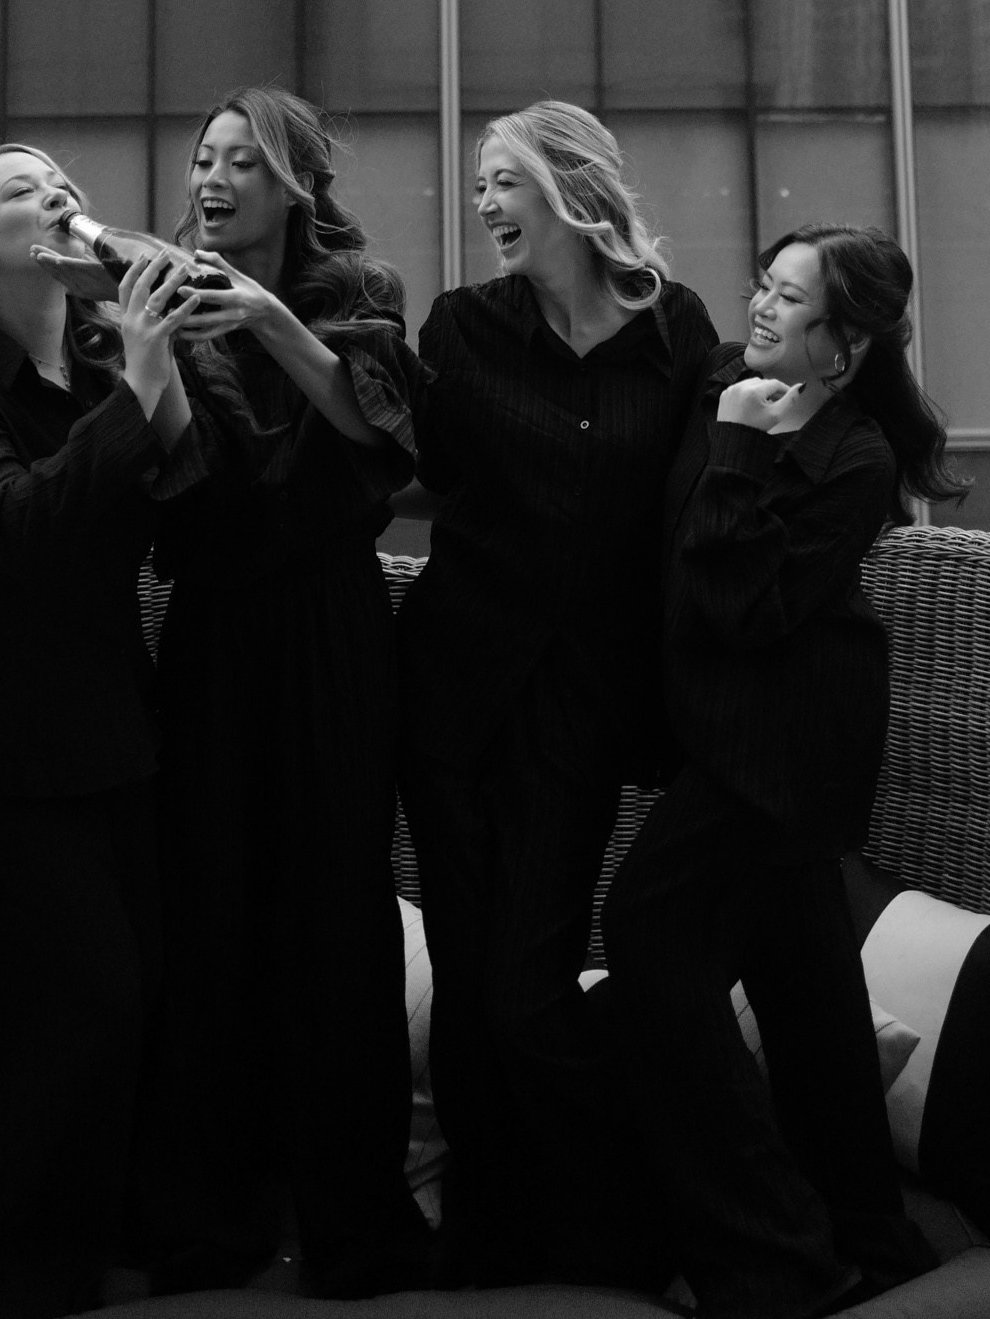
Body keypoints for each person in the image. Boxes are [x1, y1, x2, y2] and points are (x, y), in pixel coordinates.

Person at [593, 224, 963, 1317]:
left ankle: (773, 1256)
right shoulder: (722, 377)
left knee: (649, 936)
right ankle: (868, 1238)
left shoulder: (851, 459)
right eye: (761, 283)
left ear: (840, 348)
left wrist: (740, 450)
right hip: (723, 737)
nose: (756, 306)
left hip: (785, 753)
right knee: (804, 992)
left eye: (785, 297)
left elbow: (739, 609)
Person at [0, 142, 200, 1319]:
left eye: (63, 181)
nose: (56, 192)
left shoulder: (94, 374)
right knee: (66, 1012)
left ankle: (77, 1240)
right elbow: (14, 528)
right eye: (21, 187)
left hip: (102, 733)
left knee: (129, 997)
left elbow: (170, 508)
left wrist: (162, 366)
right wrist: (144, 384)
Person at [397, 100, 718, 1285]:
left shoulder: (674, 332)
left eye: (503, 182)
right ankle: (489, 1233)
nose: (483, 203)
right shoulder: (461, 330)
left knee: (529, 984)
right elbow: (411, 468)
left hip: (583, 709)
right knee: (479, 985)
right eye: (480, 185)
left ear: (570, 190)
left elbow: (717, 482)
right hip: (452, 697)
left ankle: (635, 1219)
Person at [137, 88, 432, 1301]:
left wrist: (265, 317)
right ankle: (210, 1220)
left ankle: (353, 1225)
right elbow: (198, 484)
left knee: (338, 922)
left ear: (292, 183)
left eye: (241, 161)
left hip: (329, 628)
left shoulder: (360, 296)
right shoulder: (162, 302)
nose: (211, 178)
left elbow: (389, 441)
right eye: (203, 158)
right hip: (212, 633)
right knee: (206, 922)